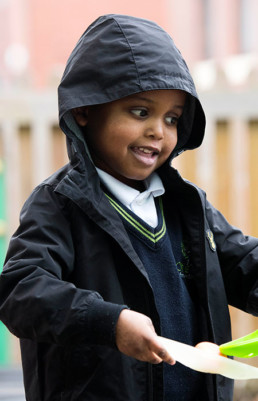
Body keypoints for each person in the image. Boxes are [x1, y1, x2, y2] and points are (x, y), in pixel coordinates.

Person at [0, 13, 257, 401]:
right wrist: (109, 321)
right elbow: (20, 289)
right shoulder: (59, 205)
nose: (159, 130)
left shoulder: (186, 206)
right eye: (141, 112)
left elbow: (242, 262)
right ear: (85, 110)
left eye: (172, 118)